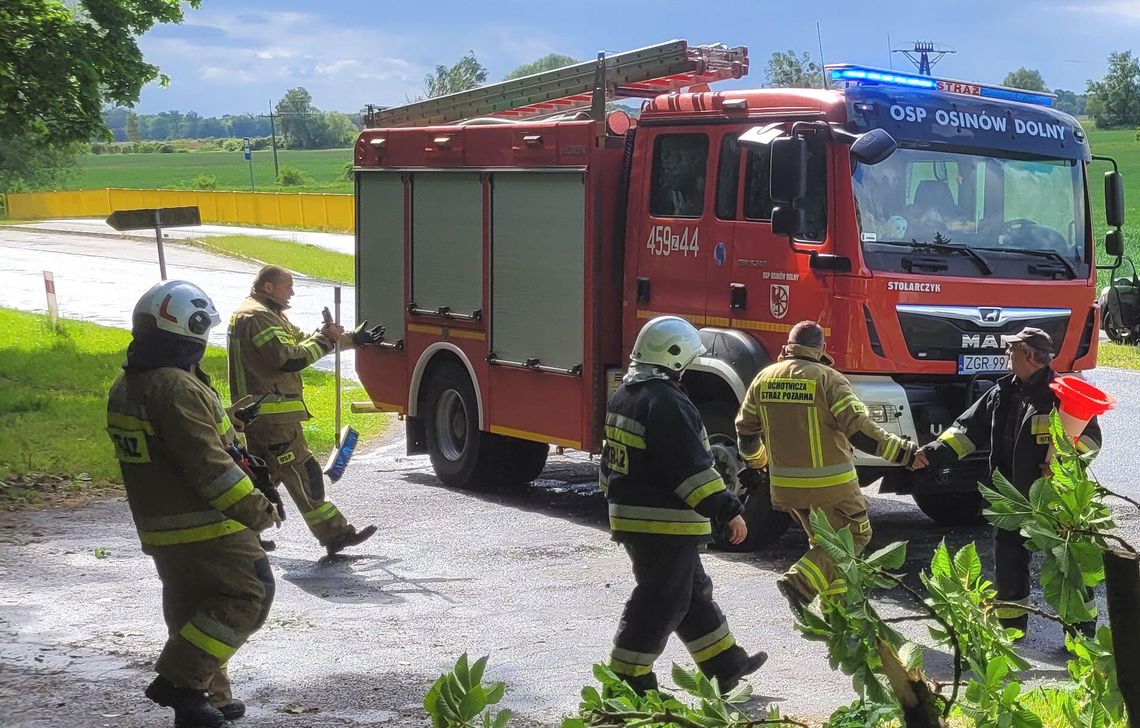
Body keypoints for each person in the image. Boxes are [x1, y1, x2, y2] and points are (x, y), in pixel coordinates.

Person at [107, 280, 281, 727]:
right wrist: (258, 510)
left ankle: (205, 701)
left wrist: (231, 420)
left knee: (194, 608)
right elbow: (210, 468)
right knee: (249, 594)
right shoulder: (177, 388)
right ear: (192, 332)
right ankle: (178, 682)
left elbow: (173, 440)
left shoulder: (129, 383)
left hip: (161, 526)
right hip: (209, 525)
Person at [600, 316, 767, 694]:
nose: (688, 368)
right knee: (660, 602)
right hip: (664, 523)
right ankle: (626, 681)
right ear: (673, 356)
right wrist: (729, 510)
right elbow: (689, 468)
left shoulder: (626, 395)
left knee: (690, 592)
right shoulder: (667, 402)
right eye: (687, 360)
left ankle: (726, 664)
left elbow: (611, 464)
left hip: (637, 518)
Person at [917, 327, 1102, 636]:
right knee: (1008, 565)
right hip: (1009, 499)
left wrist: (1063, 463)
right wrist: (930, 454)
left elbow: (1091, 441)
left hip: (1053, 497)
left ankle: (1082, 634)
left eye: (1012, 351)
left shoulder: (1063, 394)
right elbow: (965, 432)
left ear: (1029, 356)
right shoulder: (1002, 391)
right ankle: (1011, 631)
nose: (1007, 356)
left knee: (1067, 567)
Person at [735, 321, 925, 615]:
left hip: (786, 488)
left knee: (825, 544)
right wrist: (906, 453)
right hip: (831, 487)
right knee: (854, 537)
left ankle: (836, 611)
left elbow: (746, 432)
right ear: (821, 349)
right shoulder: (828, 379)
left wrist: (758, 462)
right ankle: (798, 583)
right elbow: (860, 432)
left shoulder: (764, 378)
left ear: (787, 347)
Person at [228, 266, 381, 557]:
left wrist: (349, 339)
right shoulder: (257, 317)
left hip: (262, 417)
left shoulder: (265, 314)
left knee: (260, 478)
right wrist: (325, 339)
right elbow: (287, 358)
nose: (293, 292)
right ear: (269, 287)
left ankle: (238, 538)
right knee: (303, 471)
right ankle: (335, 533)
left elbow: (301, 340)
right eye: (288, 287)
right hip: (273, 418)